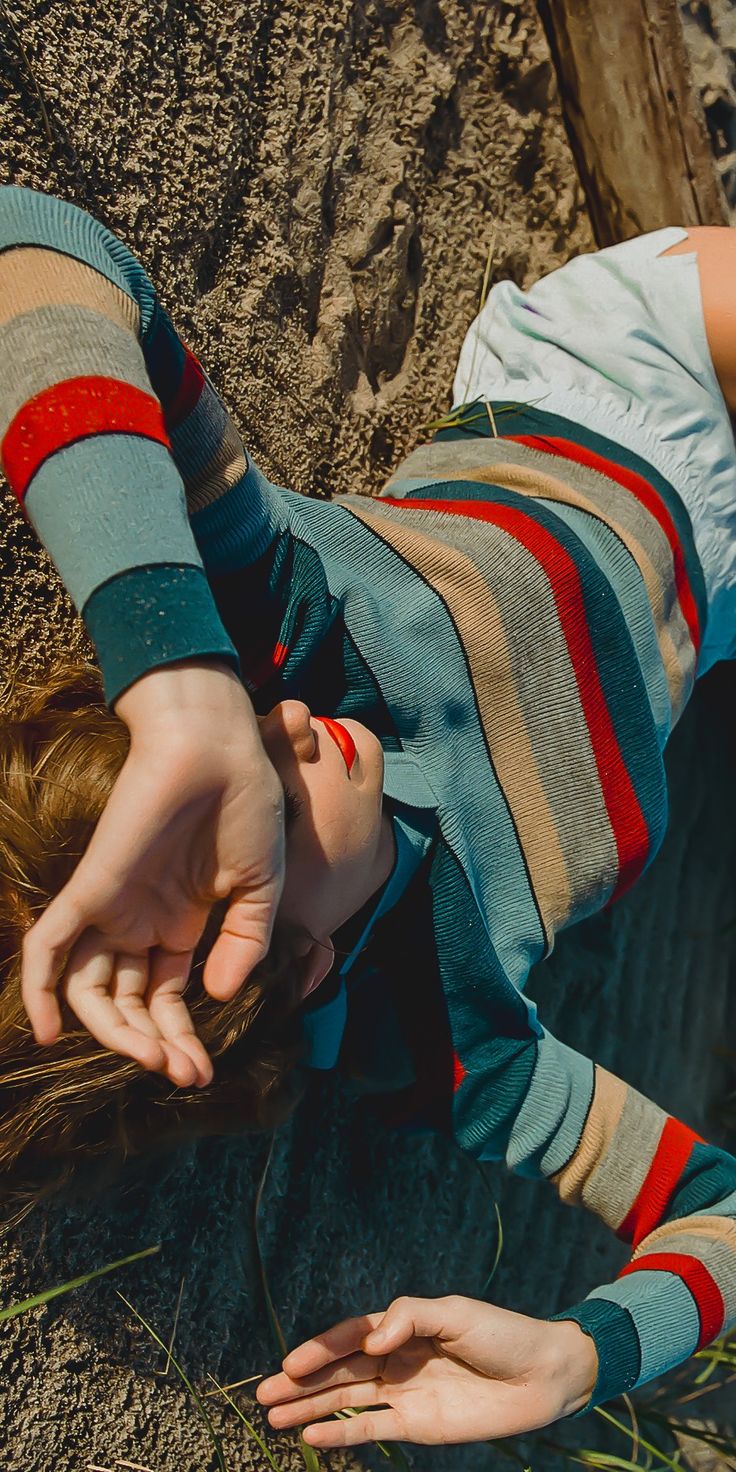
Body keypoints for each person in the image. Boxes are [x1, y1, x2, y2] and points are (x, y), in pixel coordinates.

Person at [0, 184, 734, 1444]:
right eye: (264, 818)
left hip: (624, 388)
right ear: (292, 959)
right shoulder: (459, 1040)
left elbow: (38, 244)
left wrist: (178, 684)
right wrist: (574, 1354)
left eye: (235, 747)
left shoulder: (271, 620)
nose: (279, 732)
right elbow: (715, 1203)